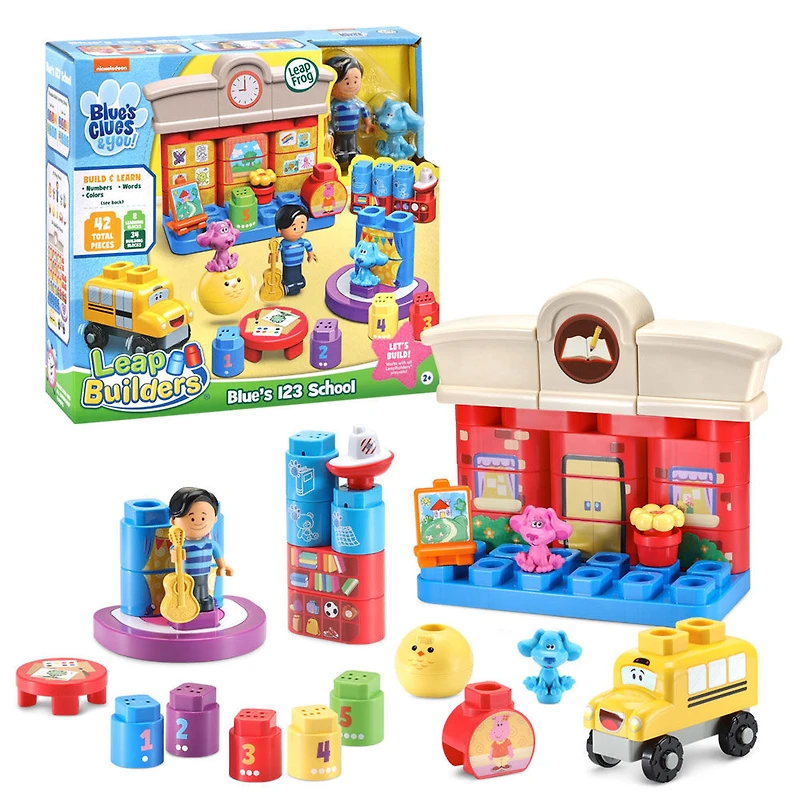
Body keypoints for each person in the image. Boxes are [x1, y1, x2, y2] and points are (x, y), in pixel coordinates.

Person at [168, 487, 232, 613]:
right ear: (173, 521)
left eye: (203, 518)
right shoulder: (182, 544)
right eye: (192, 518)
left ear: (215, 519)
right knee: (190, 590)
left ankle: (204, 600)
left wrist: (222, 566)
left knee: (203, 587)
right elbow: (174, 556)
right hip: (187, 575)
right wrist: (176, 552)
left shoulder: (210, 543)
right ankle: (192, 603)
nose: (198, 522)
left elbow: (218, 555)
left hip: (204, 573)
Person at [325, 55, 375, 174]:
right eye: (347, 82)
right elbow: (327, 115)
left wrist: (368, 124)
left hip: (352, 132)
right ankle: (340, 164)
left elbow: (365, 113)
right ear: (332, 86)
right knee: (340, 151)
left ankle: (353, 164)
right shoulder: (334, 105)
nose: (352, 85)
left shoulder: (357, 104)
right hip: (338, 133)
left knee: (352, 149)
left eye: (355, 81)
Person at [275, 204, 317, 295]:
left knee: (297, 276)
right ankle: (288, 285)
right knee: (289, 277)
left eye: (302, 226)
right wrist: (275, 255)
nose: (298, 230)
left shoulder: (303, 242)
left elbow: (308, 247)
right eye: (294, 228)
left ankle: (298, 283)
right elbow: (276, 250)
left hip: (298, 263)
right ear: (279, 230)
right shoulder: (283, 244)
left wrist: (311, 254)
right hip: (288, 265)